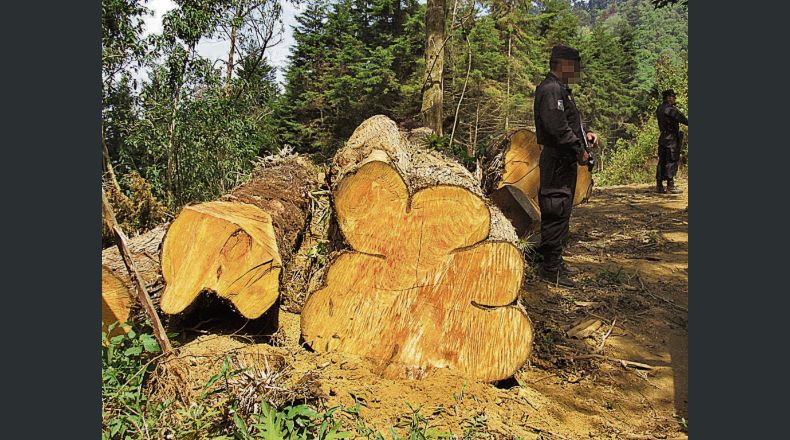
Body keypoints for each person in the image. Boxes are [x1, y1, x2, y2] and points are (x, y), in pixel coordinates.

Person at [533, 44, 599, 288]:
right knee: (555, 208)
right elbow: (557, 128)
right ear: (565, 64)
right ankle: (550, 268)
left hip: (564, 159)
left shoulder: (561, 90)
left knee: (562, 210)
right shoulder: (550, 89)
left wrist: (586, 136)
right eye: (575, 66)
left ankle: (555, 261)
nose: (577, 71)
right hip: (557, 160)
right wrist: (578, 149)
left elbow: (569, 123)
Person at [656, 89, 688, 194]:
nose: (675, 99)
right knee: (671, 160)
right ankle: (670, 185)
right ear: (669, 98)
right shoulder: (671, 110)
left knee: (662, 161)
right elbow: (683, 119)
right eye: (673, 97)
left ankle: (659, 185)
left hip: (662, 138)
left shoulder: (659, 108)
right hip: (671, 138)